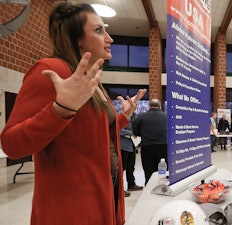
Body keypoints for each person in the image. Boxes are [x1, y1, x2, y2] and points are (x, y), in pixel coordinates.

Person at [0, 2, 146, 225]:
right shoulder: (51, 70)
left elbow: (90, 134)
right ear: (76, 38)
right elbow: (12, 144)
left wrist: (123, 117)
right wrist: (59, 109)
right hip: (72, 208)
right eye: (98, 30)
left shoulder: (90, 80)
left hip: (106, 191)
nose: (109, 38)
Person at [132, 99, 168, 185]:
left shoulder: (141, 117)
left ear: (149, 106)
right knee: (163, 170)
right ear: (160, 106)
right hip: (163, 146)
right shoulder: (167, 116)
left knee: (148, 170)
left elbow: (135, 132)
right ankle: (162, 187)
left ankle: (149, 189)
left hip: (147, 147)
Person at [113, 101, 144, 198]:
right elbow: (118, 129)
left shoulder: (135, 116)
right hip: (123, 146)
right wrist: (131, 133)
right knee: (121, 169)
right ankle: (119, 189)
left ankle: (131, 184)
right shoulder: (120, 115)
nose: (134, 108)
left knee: (131, 167)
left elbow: (136, 128)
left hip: (132, 145)